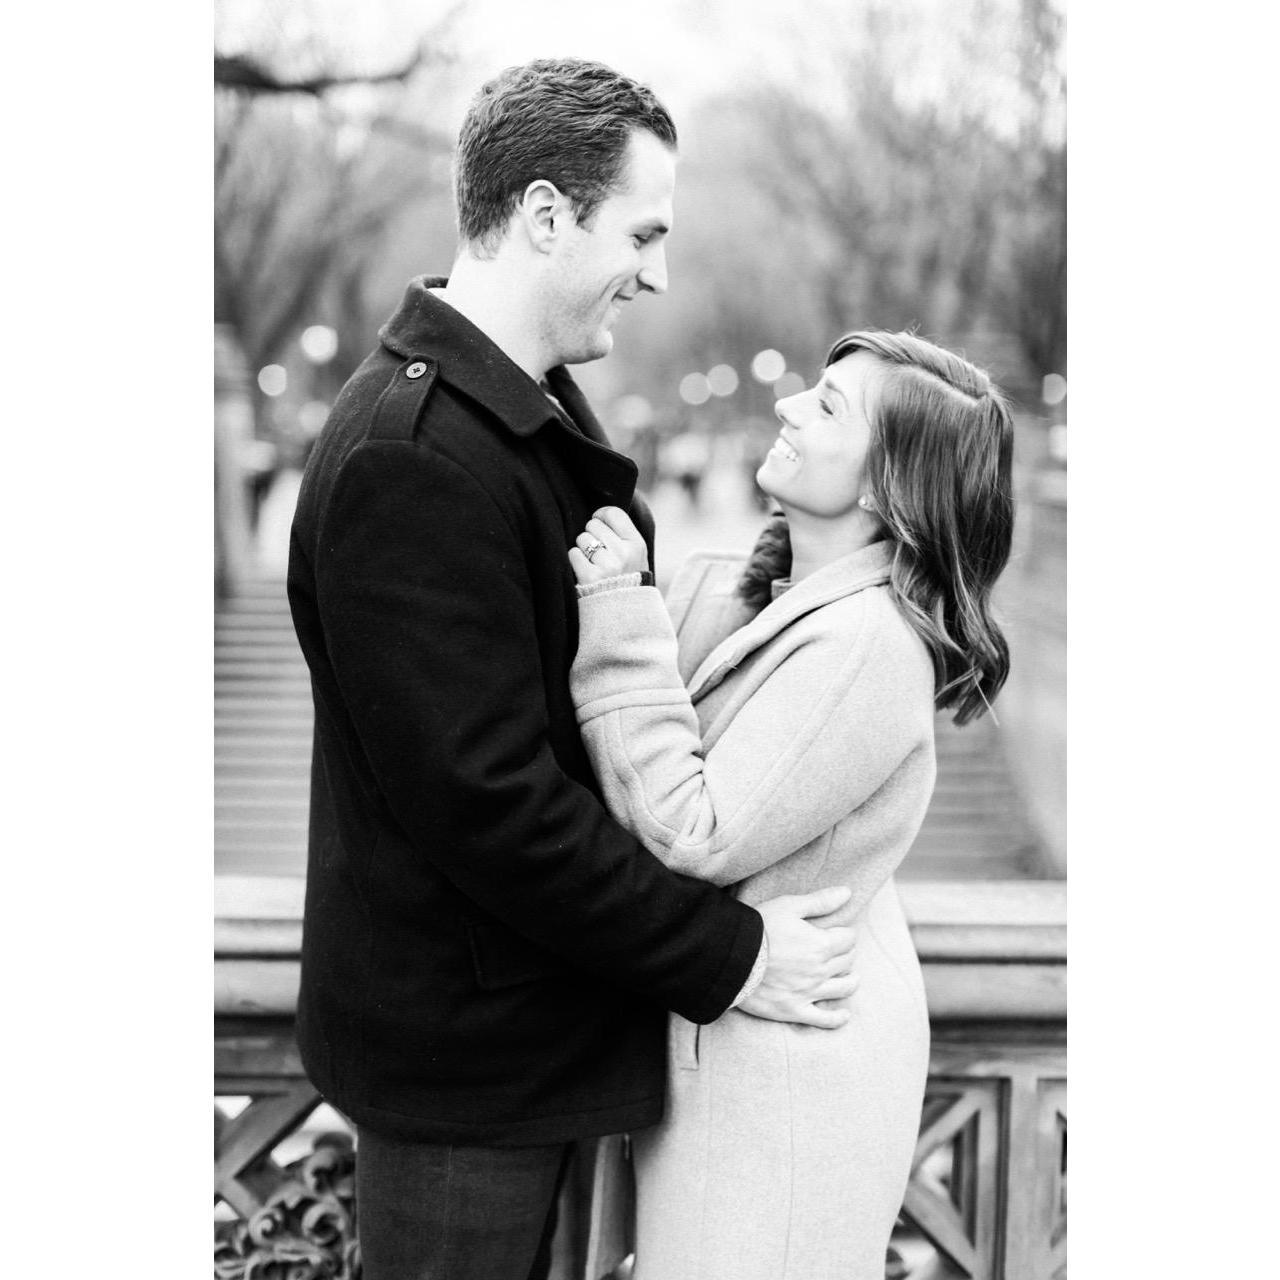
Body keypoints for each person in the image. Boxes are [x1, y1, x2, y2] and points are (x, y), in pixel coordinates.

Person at [286, 58, 858, 1280]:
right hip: (467, 1077)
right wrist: (731, 953)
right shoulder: (412, 459)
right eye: (640, 234)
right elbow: (493, 805)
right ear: (546, 215)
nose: (657, 274)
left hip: (534, 1041)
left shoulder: (514, 411)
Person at [568, 329, 1016, 1280]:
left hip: (780, 1093)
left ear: (887, 487)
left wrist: (617, 609)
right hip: (740, 1052)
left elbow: (692, 829)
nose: (787, 405)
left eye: (827, 407)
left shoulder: (867, 645)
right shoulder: (773, 598)